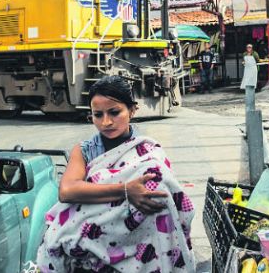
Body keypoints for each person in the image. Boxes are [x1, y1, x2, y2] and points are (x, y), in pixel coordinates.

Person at [37, 76, 196, 273]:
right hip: (92, 255)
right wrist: (125, 191)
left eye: (114, 112)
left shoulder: (149, 152)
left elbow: (167, 201)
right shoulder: (85, 150)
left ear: (132, 110)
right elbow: (67, 191)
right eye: (98, 115)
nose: (106, 122)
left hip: (141, 252)